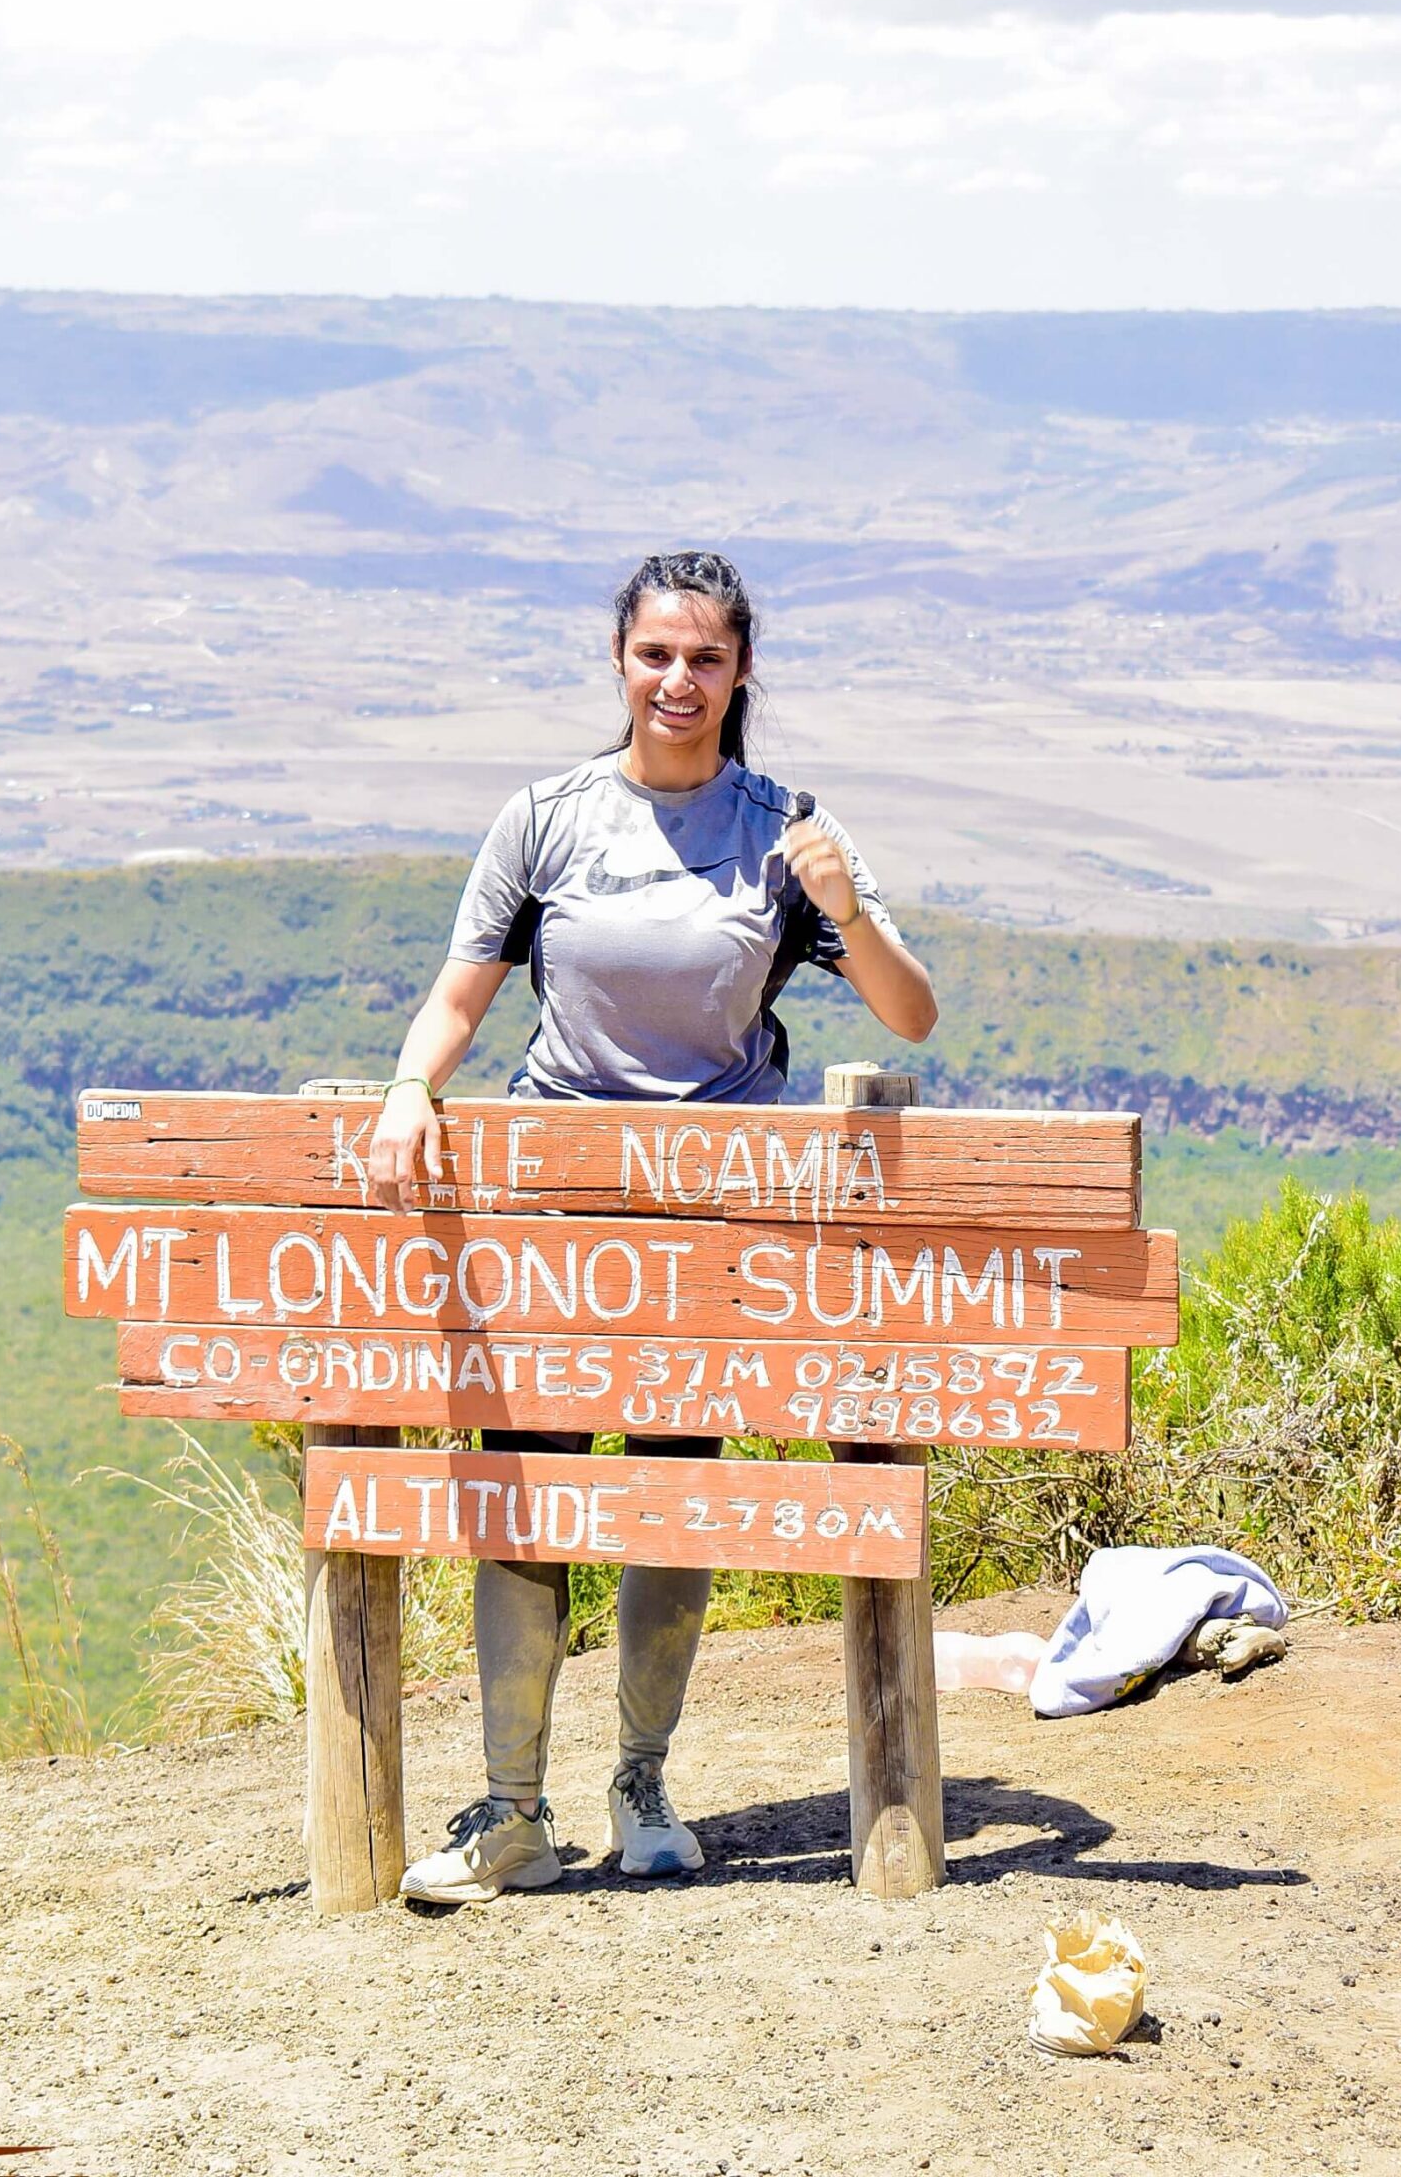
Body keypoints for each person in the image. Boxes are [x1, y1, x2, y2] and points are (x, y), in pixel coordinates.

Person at [366, 548, 938, 1903]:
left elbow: (911, 1013)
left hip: (708, 1229)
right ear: (618, 661)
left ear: (739, 673)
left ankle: (641, 1783)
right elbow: (461, 997)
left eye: (704, 659)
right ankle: (511, 1812)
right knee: (525, 1480)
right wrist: (407, 1091)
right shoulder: (547, 820)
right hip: (555, 1213)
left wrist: (843, 908)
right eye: (654, 655)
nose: (677, 681)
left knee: (668, 1486)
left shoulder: (782, 828)